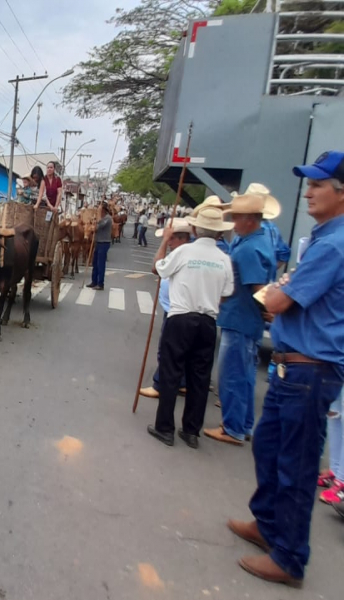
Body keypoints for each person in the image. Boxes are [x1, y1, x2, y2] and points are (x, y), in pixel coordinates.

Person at [228, 150, 344, 586]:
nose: (308, 192)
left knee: (295, 464)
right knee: (269, 448)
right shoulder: (321, 237)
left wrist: (281, 293)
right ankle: (268, 526)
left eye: (317, 185)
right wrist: (282, 292)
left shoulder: (333, 244)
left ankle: (290, 557)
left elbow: (275, 300)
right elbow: (280, 295)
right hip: (291, 366)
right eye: (309, 184)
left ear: (341, 192)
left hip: (309, 371)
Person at [147, 205, 234, 449]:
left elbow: (158, 268)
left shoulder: (184, 252)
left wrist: (164, 242)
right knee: (199, 377)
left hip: (181, 317)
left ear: (195, 228)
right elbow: (226, 294)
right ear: (219, 233)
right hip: (207, 321)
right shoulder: (224, 259)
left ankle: (165, 428)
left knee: (171, 371)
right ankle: (191, 431)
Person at [202, 194, 276, 447]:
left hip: (241, 318)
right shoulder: (259, 240)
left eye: (236, 217)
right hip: (244, 319)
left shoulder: (248, 248)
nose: (233, 222)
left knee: (232, 375)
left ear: (249, 219)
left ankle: (232, 427)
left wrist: (268, 309)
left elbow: (258, 286)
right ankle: (241, 425)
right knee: (244, 375)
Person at [139, 218, 192, 399]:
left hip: (176, 309)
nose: (168, 243)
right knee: (181, 349)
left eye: (170, 239)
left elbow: (156, 268)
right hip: (179, 307)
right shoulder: (184, 252)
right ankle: (183, 381)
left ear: (180, 238)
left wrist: (163, 242)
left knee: (166, 348)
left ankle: (161, 384)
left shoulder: (180, 254)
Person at [88, 202, 112, 291]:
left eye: (100, 210)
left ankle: (100, 283)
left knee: (100, 264)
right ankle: (94, 281)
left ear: (104, 210)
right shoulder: (100, 218)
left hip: (104, 243)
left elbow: (97, 227)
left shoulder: (107, 219)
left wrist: (96, 222)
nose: (99, 212)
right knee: (95, 263)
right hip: (98, 242)